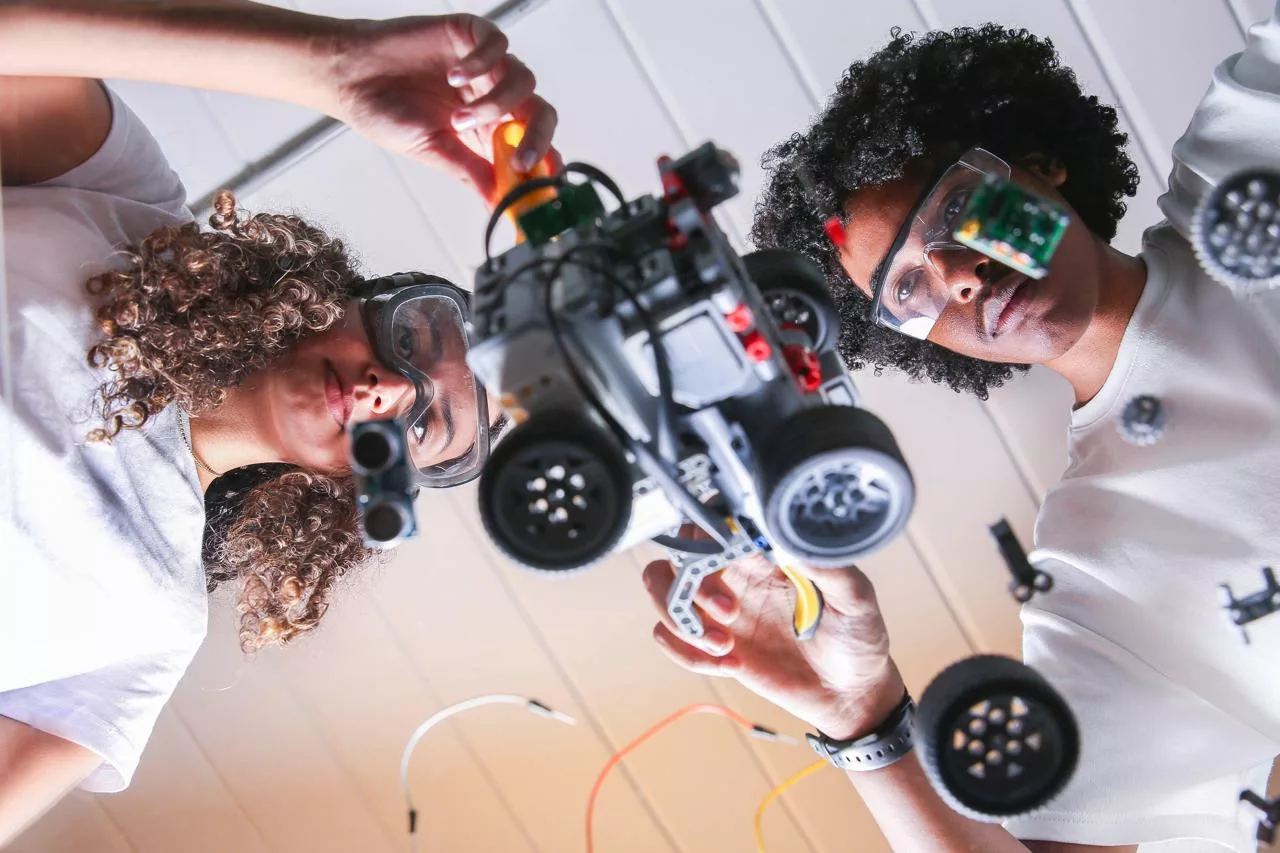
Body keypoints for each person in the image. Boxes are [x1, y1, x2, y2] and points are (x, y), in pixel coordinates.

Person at [649, 7, 1280, 853]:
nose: (957, 274)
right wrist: (859, 712)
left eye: (955, 209)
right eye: (908, 289)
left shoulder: (1246, 169)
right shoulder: (1102, 565)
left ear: (1039, 165)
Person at [0, 0, 553, 842]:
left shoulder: (150, 631)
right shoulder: (136, 220)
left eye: (423, 429)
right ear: (346, 305)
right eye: (413, 340)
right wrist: (329, 64)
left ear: (355, 484)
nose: (393, 391)